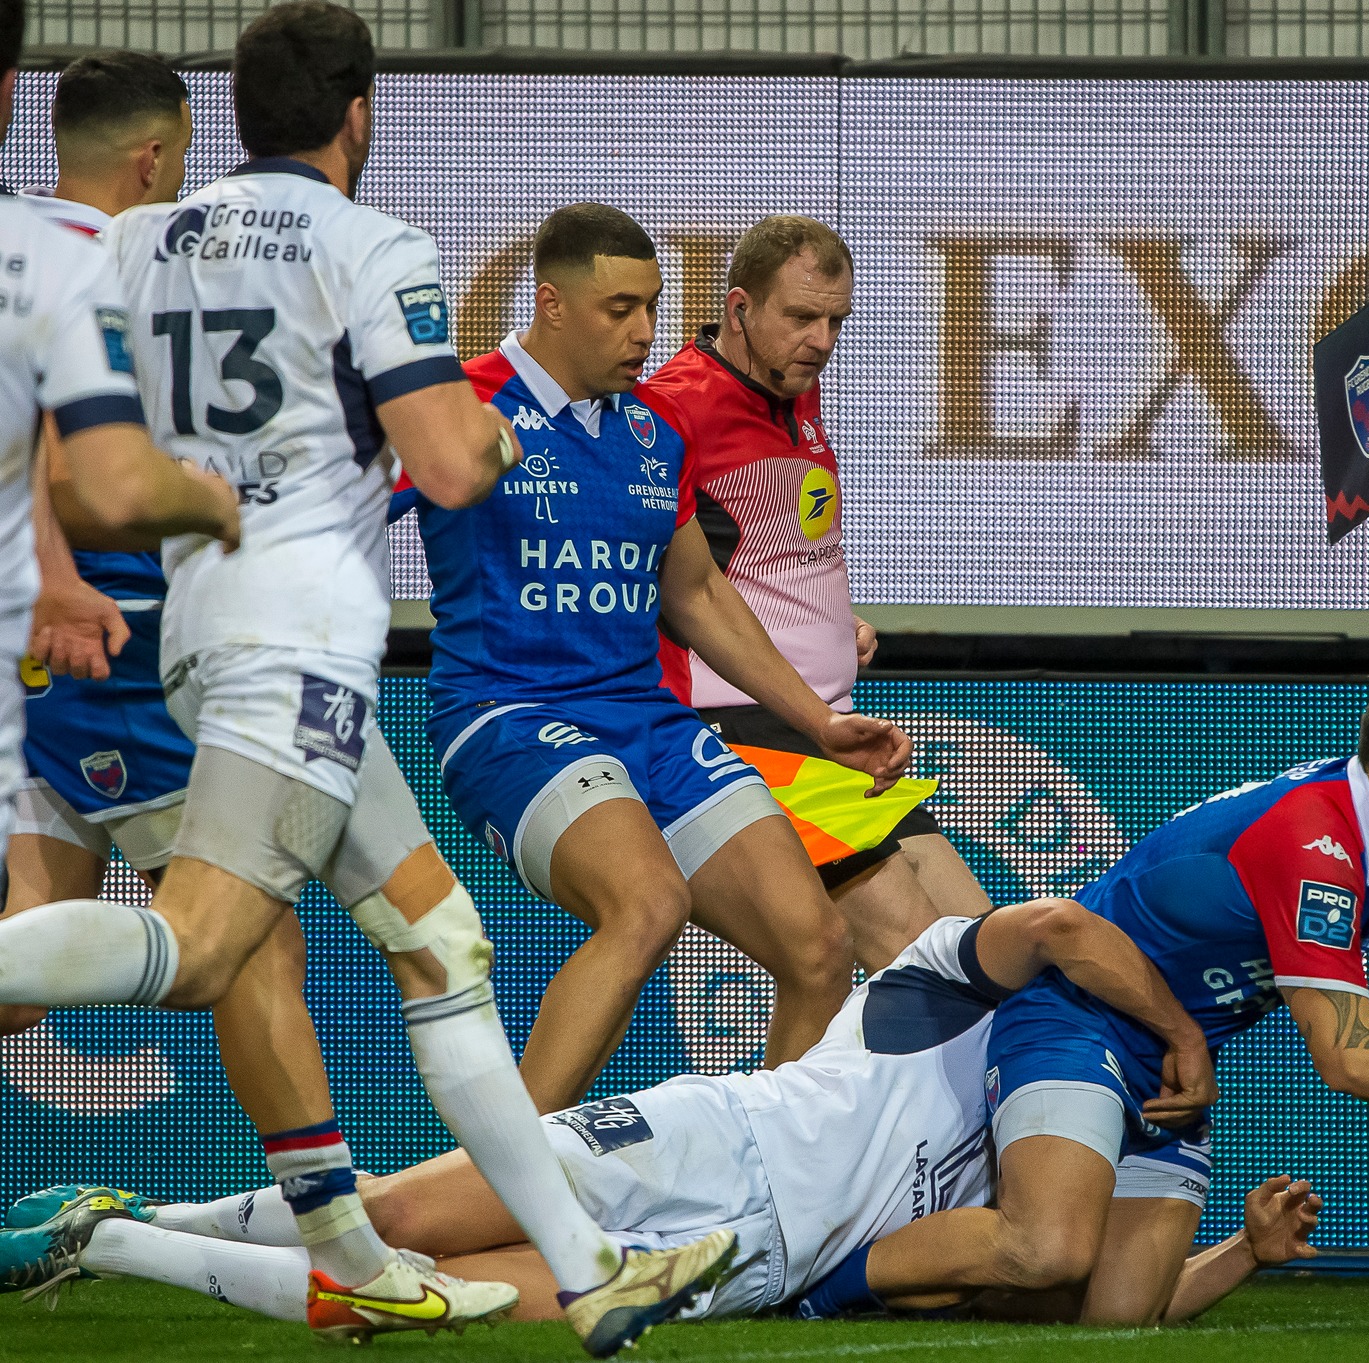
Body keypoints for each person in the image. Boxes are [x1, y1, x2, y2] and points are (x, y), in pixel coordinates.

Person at [0, 7, 734, 1352]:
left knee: (441, 939)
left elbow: (67, 462)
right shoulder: (374, 245)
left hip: (199, 634)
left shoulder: (139, 239)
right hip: (293, 648)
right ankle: (443, 1257)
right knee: (206, 945)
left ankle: (593, 1271)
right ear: (358, 115)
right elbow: (450, 465)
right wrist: (495, 438)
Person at [800, 664, 1369, 1324]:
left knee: (1119, 1315)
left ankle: (928, 1278)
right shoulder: (1313, 841)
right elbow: (1349, 1054)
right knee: (1048, 1248)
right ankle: (816, 1284)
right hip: (1076, 1016)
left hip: (1176, 1066)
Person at [0, 901, 1227, 1327]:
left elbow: (1091, 1290)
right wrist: (1176, 1021)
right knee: (395, 1214)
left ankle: (106, 1239)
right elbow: (1057, 925)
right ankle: (142, 1210)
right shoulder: (946, 971)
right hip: (710, 1138)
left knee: (426, 1298)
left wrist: (1238, 1254)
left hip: (747, 1264)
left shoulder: (1053, 1157)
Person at [405, 202, 911, 1106]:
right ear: (551, 303)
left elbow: (698, 595)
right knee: (648, 904)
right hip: (509, 717)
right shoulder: (457, 403)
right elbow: (331, 513)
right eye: (620, 309)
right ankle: (503, 1174)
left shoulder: (652, 430)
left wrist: (820, 722)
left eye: (652, 306)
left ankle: (765, 1178)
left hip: (650, 722)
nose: (646, 330)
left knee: (820, 948)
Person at [644, 216, 992, 973]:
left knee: (985, 948)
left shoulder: (792, 386)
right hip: (740, 732)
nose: (822, 341)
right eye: (802, 317)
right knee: (920, 963)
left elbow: (763, 542)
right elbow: (669, 582)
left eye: (836, 320)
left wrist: (834, 622)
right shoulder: (670, 410)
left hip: (827, 729)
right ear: (739, 308)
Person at [2, 52, 198, 1040]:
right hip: (105, 635)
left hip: (47, 642)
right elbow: (48, 459)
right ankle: (321, 1165)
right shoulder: (108, 264)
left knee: (22, 970)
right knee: (242, 942)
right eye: (184, 161)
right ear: (152, 158)